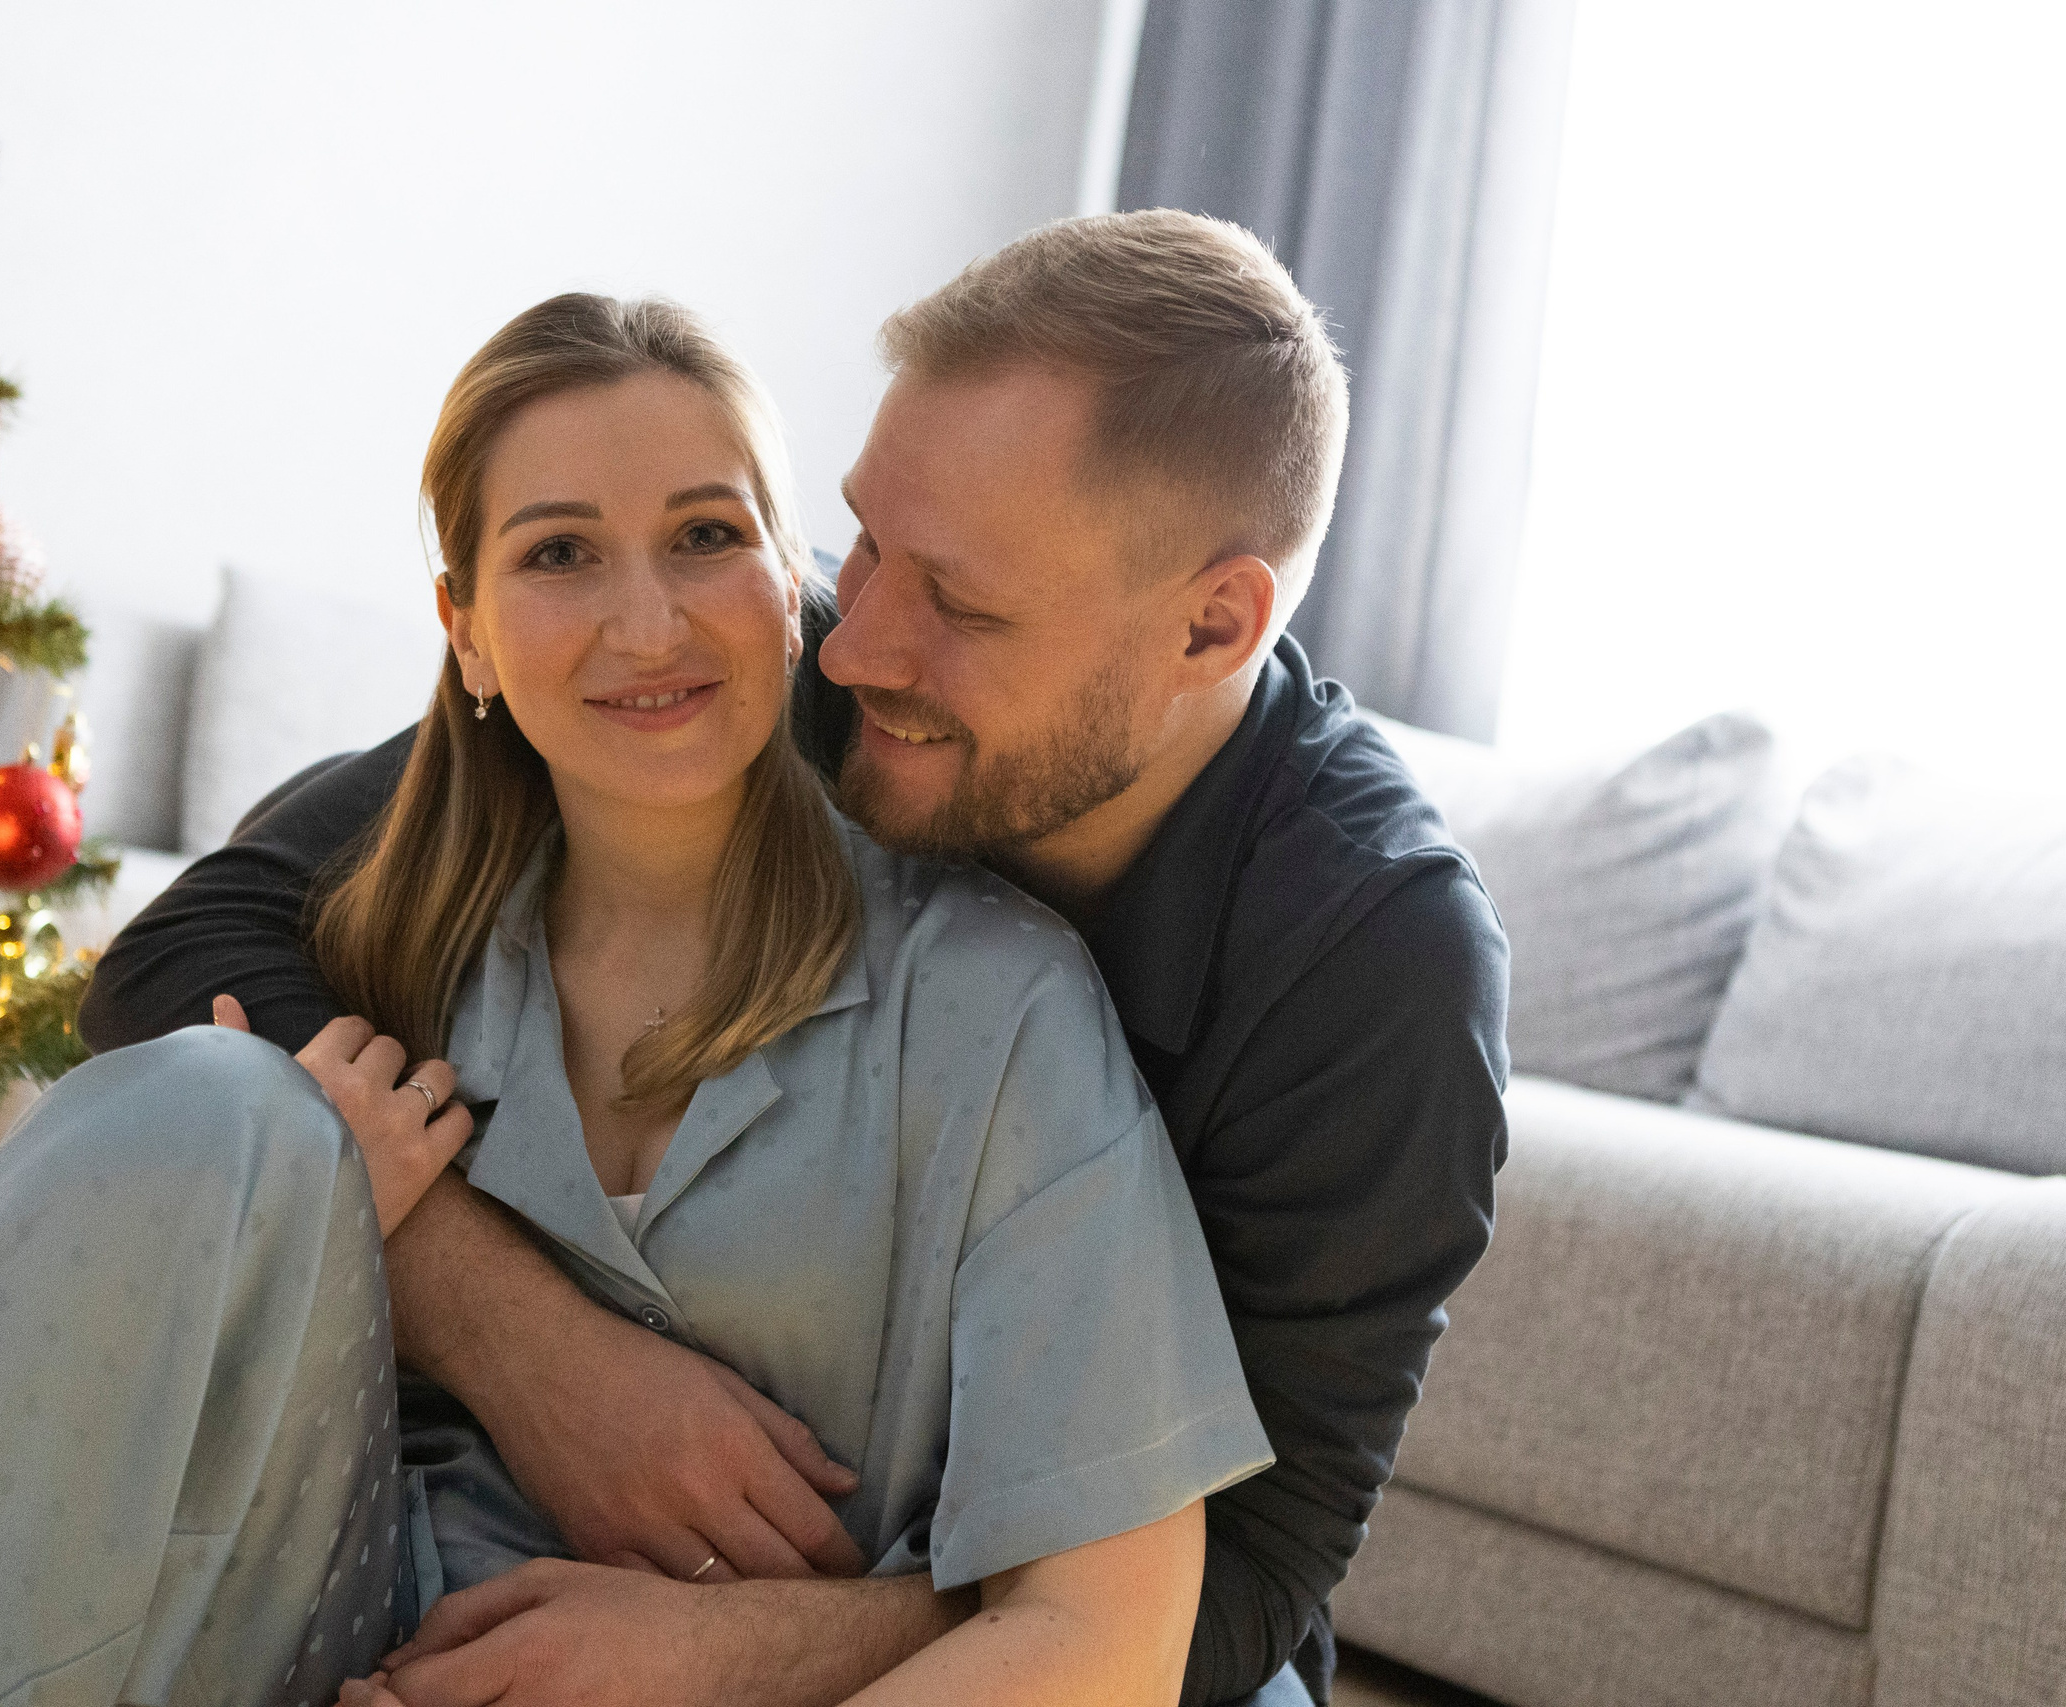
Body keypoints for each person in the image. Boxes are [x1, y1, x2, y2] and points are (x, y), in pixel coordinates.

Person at [0, 290, 1271, 1707]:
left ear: (795, 588)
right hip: (314, 1629)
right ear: (466, 636)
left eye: (709, 535)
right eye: (560, 555)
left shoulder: (995, 1009)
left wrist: (716, 1657)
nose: (646, 619)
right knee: (207, 1099)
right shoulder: (388, 946)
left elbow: (1101, 1634)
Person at [84, 210, 1509, 1707]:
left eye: (959, 601)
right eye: (867, 542)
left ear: (1213, 626)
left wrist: (725, 1657)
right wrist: (524, 1342)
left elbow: (1238, 1582)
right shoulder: (787, 658)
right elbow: (187, 947)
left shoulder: (1378, 967)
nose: (851, 645)